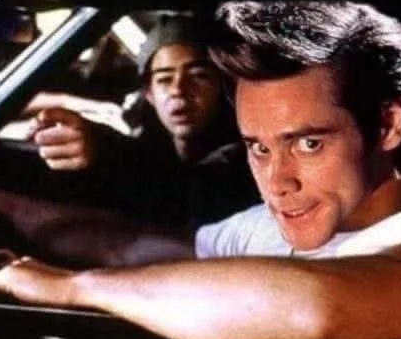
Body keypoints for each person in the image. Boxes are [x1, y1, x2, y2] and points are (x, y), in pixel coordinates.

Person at [0, 0, 401, 339]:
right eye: (258, 148)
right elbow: (138, 246)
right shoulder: (275, 224)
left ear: (387, 126)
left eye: (308, 144)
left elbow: (317, 314)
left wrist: (75, 288)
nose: (277, 181)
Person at [24, 13, 259, 226]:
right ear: (149, 93)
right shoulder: (151, 149)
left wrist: (104, 149)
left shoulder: (250, 153)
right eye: (164, 79)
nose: (178, 90)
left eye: (198, 76)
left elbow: (188, 190)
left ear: (222, 85)